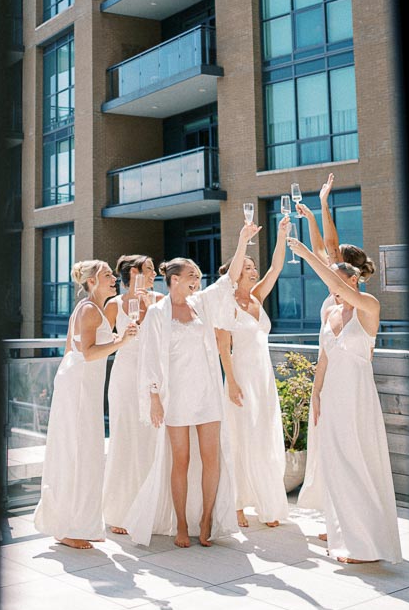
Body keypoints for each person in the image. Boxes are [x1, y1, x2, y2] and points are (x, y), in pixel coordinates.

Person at [122, 222, 260, 548]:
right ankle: (181, 523)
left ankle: (207, 517)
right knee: (180, 461)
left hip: (207, 391)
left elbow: (227, 280)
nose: (197, 280)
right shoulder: (158, 313)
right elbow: (151, 358)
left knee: (212, 458)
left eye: (199, 276)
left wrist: (241, 240)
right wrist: (154, 398)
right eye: (192, 276)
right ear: (174, 280)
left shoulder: (203, 305)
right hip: (177, 395)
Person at [289, 237, 401, 564]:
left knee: (358, 464)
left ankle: (368, 544)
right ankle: (347, 539)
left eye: (339, 282)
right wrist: (316, 395)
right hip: (332, 396)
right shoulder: (330, 314)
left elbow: (340, 285)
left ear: (353, 280)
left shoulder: (369, 306)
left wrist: (307, 253)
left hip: (357, 396)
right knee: (336, 467)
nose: (333, 289)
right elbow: (323, 359)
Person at [33, 260, 138, 549]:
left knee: (83, 452)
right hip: (80, 388)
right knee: (80, 454)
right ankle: (68, 528)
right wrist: (121, 342)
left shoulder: (90, 309)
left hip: (80, 386)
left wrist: (114, 340)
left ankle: (77, 524)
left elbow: (71, 349)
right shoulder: (91, 310)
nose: (113, 278)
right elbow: (88, 353)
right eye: (107, 275)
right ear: (92, 281)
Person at [216, 214, 292, 529]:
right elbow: (223, 348)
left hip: (263, 376)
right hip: (241, 376)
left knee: (263, 435)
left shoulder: (257, 298)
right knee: (238, 437)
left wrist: (281, 236)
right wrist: (231, 382)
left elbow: (276, 267)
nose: (253, 269)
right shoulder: (226, 304)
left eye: (252, 266)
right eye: (247, 267)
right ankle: (235, 506)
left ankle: (266, 501)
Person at [101, 255, 161, 535]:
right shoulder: (114, 305)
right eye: (149, 269)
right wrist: (121, 338)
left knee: (152, 439)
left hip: (152, 377)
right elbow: (103, 342)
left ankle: (151, 509)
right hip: (125, 376)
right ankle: (119, 512)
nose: (153, 274)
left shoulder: (159, 299)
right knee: (125, 438)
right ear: (134, 272)